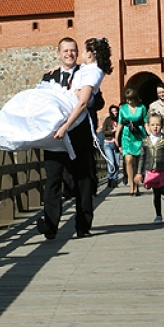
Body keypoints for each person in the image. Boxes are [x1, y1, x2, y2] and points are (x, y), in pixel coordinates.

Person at [37, 37, 112, 239]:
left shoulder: (86, 71)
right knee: (53, 178)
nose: (69, 54)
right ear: (59, 54)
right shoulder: (49, 76)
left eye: (73, 50)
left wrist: (87, 99)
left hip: (79, 135)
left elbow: (99, 101)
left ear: (78, 53)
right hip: (54, 136)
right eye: (65, 51)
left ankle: (82, 226)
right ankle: (50, 226)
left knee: (83, 180)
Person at [134, 112, 164, 224]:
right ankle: (158, 215)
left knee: (163, 188)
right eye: (153, 125)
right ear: (148, 126)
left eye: (158, 125)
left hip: (162, 169)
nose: (155, 127)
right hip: (150, 170)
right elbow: (142, 157)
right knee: (156, 193)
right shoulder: (145, 141)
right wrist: (139, 172)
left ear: (162, 126)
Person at [116, 88, 147, 196]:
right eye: (128, 99)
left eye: (131, 99)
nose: (129, 101)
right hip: (127, 135)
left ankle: (137, 185)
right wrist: (116, 138)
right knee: (128, 159)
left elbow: (145, 122)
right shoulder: (123, 109)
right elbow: (120, 124)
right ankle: (131, 185)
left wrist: (149, 135)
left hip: (139, 134)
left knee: (138, 161)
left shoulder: (142, 107)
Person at [101, 104, 120, 188]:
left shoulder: (120, 120)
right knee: (111, 162)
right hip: (108, 143)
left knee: (117, 163)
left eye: (116, 111)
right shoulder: (107, 120)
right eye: (113, 111)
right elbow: (104, 132)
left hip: (117, 144)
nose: (114, 113)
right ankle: (110, 178)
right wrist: (112, 131)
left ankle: (115, 179)